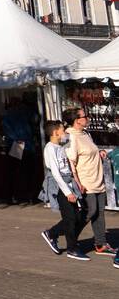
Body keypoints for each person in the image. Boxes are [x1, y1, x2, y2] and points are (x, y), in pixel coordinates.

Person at [65, 107, 113, 255]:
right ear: (77, 120)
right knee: (90, 211)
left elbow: (89, 152)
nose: (88, 118)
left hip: (97, 179)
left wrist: (99, 152)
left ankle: (101, 244)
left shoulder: (85, 133)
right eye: (85, 116)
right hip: (85, 181)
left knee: (99, 212)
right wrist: (77, 182)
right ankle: (70, 239)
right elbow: (70, 161)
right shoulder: (70, 136)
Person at [42, 120, 89, 261]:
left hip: (69, 183)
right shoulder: (50, 148)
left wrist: (76, 183)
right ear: (56, 132)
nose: (65, 133)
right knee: (70, 218)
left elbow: (67, 166)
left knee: (77, 216)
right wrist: (67, 192)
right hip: (60, 186)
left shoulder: (60, 146)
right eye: (63, 130)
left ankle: (52, 233)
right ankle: (72, 249)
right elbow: (56, 173)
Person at [1, 98, 38, 205]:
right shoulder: (26, 111)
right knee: (28, 172)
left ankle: (13, 196)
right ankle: (30, 196)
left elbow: (7, 128)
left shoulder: (10, 114)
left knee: (14, 172)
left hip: (17, 143)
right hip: (26, 143)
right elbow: (35, 119)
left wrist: (16, 139)